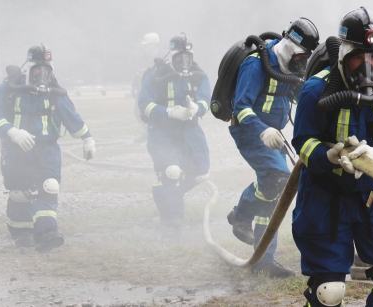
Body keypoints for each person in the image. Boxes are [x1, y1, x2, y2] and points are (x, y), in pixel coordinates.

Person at [292, 7, 373, 306]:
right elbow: (303, 143)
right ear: (343, 56)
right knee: (329, 292)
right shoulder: (316, 90)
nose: (367, 66)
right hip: (325, 196)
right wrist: (328, 155)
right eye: (358, 58)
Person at [226, 18, 319, 278]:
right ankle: (241, 214)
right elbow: (241, 107)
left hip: (273, 136)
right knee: (278, 178)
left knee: (275, 192)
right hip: (249, 132)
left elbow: (303, 98)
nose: (302, 62)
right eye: (301, 56)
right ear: (290, 46)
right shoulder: (256, 64)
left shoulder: (291, 69)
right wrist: (262, 130)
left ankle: (263, 261)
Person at [0, 44, 96, 253]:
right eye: (37, 70)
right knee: (19, 194)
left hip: (47, 150)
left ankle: (46, 234)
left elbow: (71, 116)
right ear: (28, 69)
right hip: (16, 150)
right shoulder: (10, 88)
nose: (42, 75)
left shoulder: (55, 92)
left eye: (46, 70)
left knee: (49, 187)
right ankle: (22, 234)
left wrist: (87, 138)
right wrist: (12, 132)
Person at [138, 33, 211, 235]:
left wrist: (197, 108)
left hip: (190, 132)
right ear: (172, 56)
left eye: (187, 57)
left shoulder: (199, 74)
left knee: (201, 173)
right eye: (180, 58)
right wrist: (169, 112)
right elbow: (144, 104)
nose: (184, 62)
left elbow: (206, 99)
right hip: (163, 132)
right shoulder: (157, 75)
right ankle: (172, 220)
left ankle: (168, 194)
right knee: (171, 171)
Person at [132, 32, 160, 143]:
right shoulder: (143, 58)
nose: (146, 47)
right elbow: (138, 73)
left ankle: (154, 132)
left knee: (153, 112)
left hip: (155, 91)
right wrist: (133, 86)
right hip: (142, 89)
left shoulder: (162, 57)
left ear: (154, 44)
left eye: (147, 45)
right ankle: (148, 131)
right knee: (137, 112)